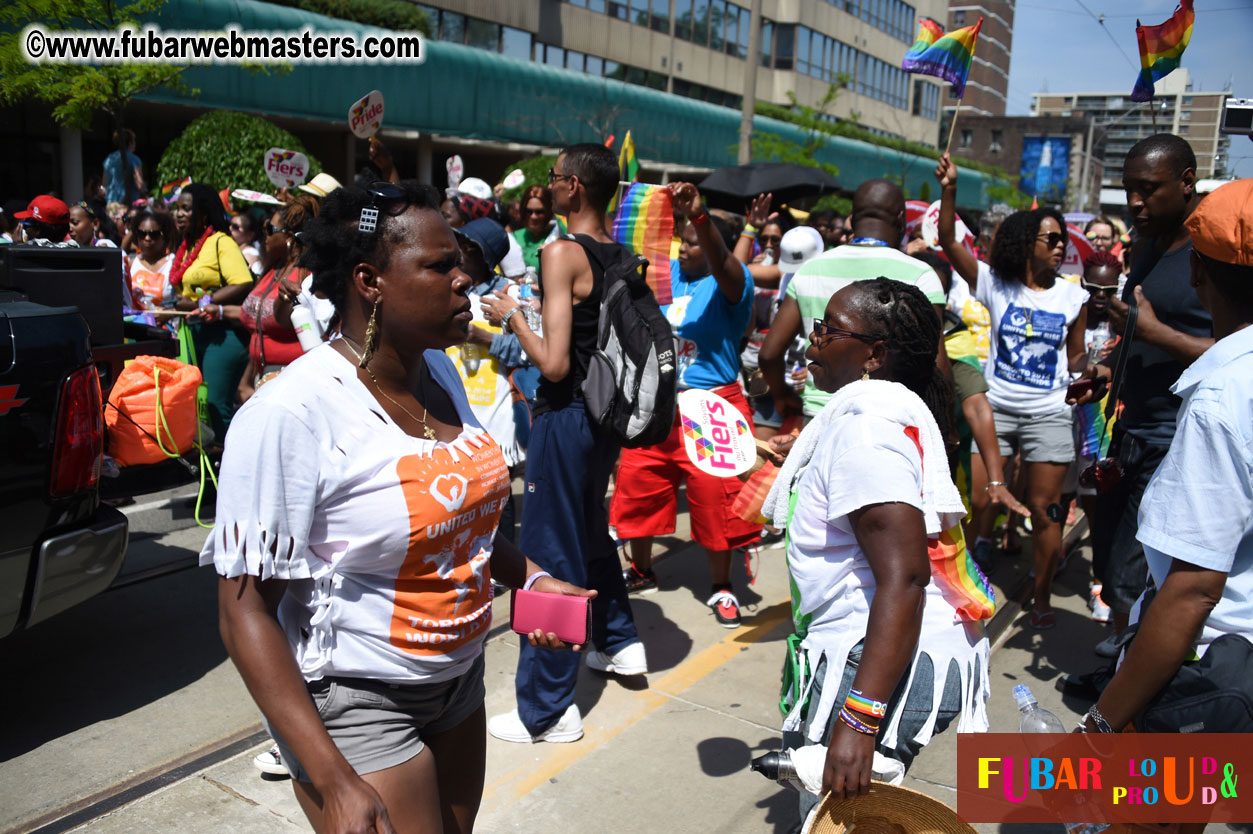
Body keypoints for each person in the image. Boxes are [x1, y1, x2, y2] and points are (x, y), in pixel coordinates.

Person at [203, 180, 593, 834]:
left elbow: (459, 532)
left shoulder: (436, 375)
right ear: (370, 279)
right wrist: (329, 777)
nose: (465, 279)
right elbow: (242, 611)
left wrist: (531, 578)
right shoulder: (289, 413)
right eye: (440, 265)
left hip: (458, 681)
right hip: (355, 698)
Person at [764, 278, 989, 819]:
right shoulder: (874, 417)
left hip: (873, 651)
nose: (811, 341)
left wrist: (859, 723)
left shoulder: (867, 432)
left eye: (827, 330)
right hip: (886, 640)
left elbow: (906, 578)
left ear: (875, 354)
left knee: (834, 816)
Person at [480, 143, 646, 743]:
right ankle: (621, 644)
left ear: (573, 186)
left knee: (549, 552)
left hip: (564, 414)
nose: (548, 187)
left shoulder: (560, 252)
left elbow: (552, 364)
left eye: (553, 179)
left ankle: (547, 710)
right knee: (588, 527)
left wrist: (509, 315)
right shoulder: (620, 254)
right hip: (605, 418)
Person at [1080, 178, 1253, 736]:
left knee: (1137, 809)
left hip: (1214, 670)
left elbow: (1192, 591)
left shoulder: (1224, 399)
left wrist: (1098, 729)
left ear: (1199, 274)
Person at [1069, 134, 1215, 659]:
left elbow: (1238, 352)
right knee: (1110, 562)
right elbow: (1140, 326)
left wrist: (1157, 336)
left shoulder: (1216, 246)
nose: (1135, 202)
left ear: (1187, 181)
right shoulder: (1149, 243)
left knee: (1139, 569)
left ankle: (1131, 691)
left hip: (1179, 435)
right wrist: (1108, 369)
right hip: (1128, 429)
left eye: (1148, 189)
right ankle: (1121, 665)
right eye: (1129, 189)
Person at [935, 152, 1089, 629]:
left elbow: (1077, 353)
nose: (1061, 247)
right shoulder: (995, 284)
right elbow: (946, 241)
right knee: (979, 499)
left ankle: (1040, 593)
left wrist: (1087, 371)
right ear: (1027, 243)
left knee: (1047, 513)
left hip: (1049, 413)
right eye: (1052, 239)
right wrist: (950, 191)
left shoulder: (1073, 294)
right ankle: (979, 552)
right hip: (996, 409)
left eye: (1063, 240)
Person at [609, 182, 760, 625]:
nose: (684, 250)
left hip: (711, 409)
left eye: (693, 243)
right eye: (682, 242)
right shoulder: (668, 277)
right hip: (658, 403)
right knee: (637, 485)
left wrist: (700, 219)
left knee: (716, 501)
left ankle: (721, 586)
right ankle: (640, 568)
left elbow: (726, 263)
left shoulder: (733, 284)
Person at [759, 178, 947, 421]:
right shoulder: (921, 275)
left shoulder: (810, 269)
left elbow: (769, 354)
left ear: (852, 219)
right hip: (888, 421)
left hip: (818, 416)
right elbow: (936, 367)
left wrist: (782, 396)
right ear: (901, 219)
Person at [449, 218, 527, 542]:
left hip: (496, 414)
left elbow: (527, 350)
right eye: (460, 243)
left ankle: (500, 568)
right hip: (453, 409)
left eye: (470, 246)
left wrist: (485, 338)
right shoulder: (449, 288)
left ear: (485, 255)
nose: (461, 251)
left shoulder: (508, 294)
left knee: (496, 494)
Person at [202, 194, 319, 400]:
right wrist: (220, 311)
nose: (264, 235)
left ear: (289, 237)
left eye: (270, 230)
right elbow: (260, 323)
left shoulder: (305, 276)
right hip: (264, 378)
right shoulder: (274, 269)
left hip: (293, 383)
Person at [170, 182, 255, 440]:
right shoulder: (187, 247)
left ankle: (231, 468)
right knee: (198, 405)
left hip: (224, 335)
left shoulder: (221, 242)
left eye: (186, 209)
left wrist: (199, 303)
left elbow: (243, 282)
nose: (179, 214)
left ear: (203, 214)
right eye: (178, 209)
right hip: (195, 333)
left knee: (216, 406)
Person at [1071, 251, 1122, 624]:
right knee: (1058, 495)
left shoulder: (1125, 322)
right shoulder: (1072, 312)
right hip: (1064, 416)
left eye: (1108, 289)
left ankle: (1099, 581)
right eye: (1094, 288)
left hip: (1101, 423)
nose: (1100, 295)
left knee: (1095, 500)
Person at [126, 209, 176, 312]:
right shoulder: (131, 263)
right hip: (136, 325)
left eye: (154, 234)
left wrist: (168, 313)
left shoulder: (173, 263)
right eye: (142, 233)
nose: (147, 238)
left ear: (164, 236)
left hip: (165, 326)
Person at [511, 185, 563, 272]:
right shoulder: (514, 237)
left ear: (549, 211)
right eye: (529, 211)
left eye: (539, 212)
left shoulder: (558, 236)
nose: (533, 216)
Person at [103, 129, 144, 205]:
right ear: (131, 143)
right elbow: (139, 184)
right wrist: (145, 193)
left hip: (111, 202)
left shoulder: (109, 159)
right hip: (129, 202)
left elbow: (104, 184)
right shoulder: (134, 159)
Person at [230, 211, 266, 277]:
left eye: (235, 227)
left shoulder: (250, 254)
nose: (230, 228)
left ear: (250, 235)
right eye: (229, 224)